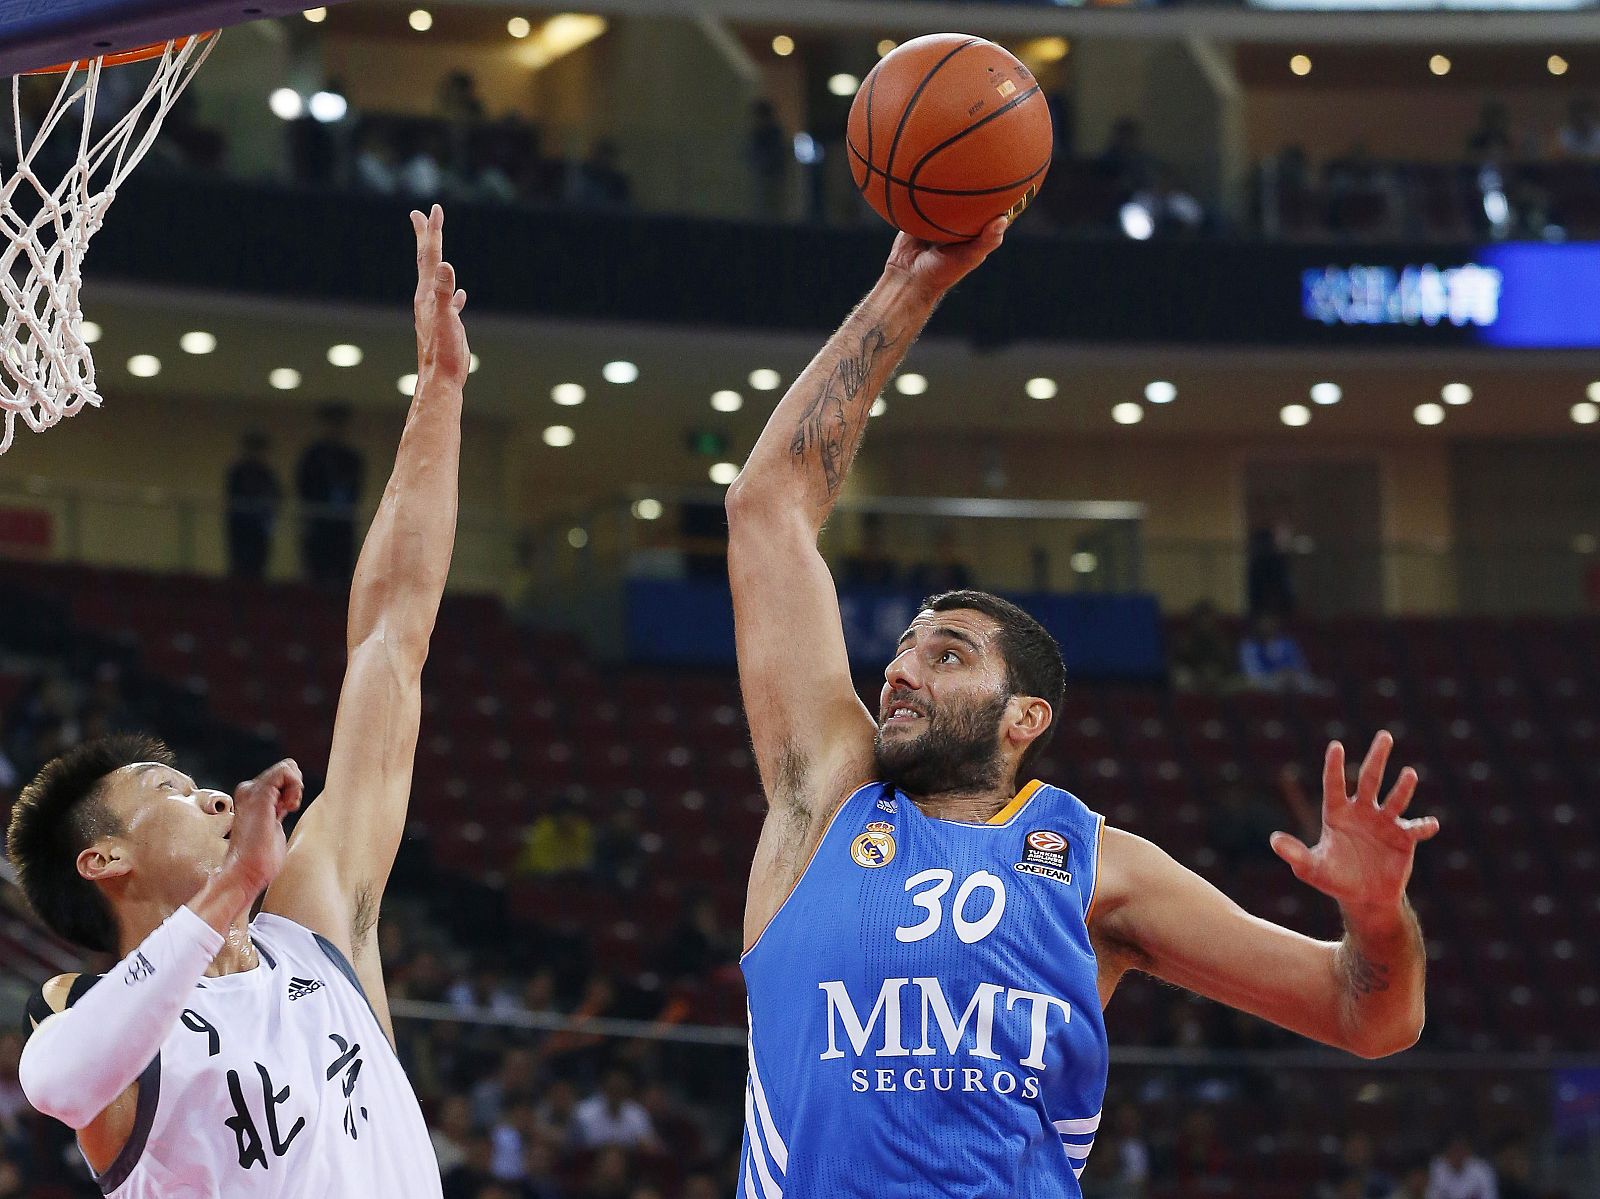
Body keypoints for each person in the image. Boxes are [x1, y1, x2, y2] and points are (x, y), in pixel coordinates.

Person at [723, 216, 1438, 1195]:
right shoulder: (825, 799)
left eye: (947, 652)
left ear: (1025, 718)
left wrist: (1376, 911)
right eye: (899, 650)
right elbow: (767, 507)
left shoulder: (1100, 866)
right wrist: (906, 286)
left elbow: (1366, 1014)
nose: (899, 670)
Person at [5, 206, 473, 1198]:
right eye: (170, 789)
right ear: (104, 859)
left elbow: (393, 634)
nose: (214, 793)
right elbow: (54, 1080)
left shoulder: (316, 926)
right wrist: (226, 892)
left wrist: (438, 394)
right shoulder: (91, 1019)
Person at [296, 403, 365, 586]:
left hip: (342, 525)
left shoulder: (351, 458)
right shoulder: (312, 456)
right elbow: (303, 488)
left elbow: (357, 489)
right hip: (318, 523)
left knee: (342, 575)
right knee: (316, 573)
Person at [224, 432, 283, 580]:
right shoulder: (238, 472)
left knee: (258, 567)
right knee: (240, 566)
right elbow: (232, 498)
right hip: (241, 527)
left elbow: (277, 496)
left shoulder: (267, 474)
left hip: (260, 528)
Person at [1426, 1135, 1498, 1199]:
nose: (1458, 1155)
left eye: (1461, 1150)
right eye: (1454, 1151)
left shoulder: (1482, 1170)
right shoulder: (1436, 1168)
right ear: (1446, 1153)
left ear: (1469, 1152)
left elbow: (1490, 1196)